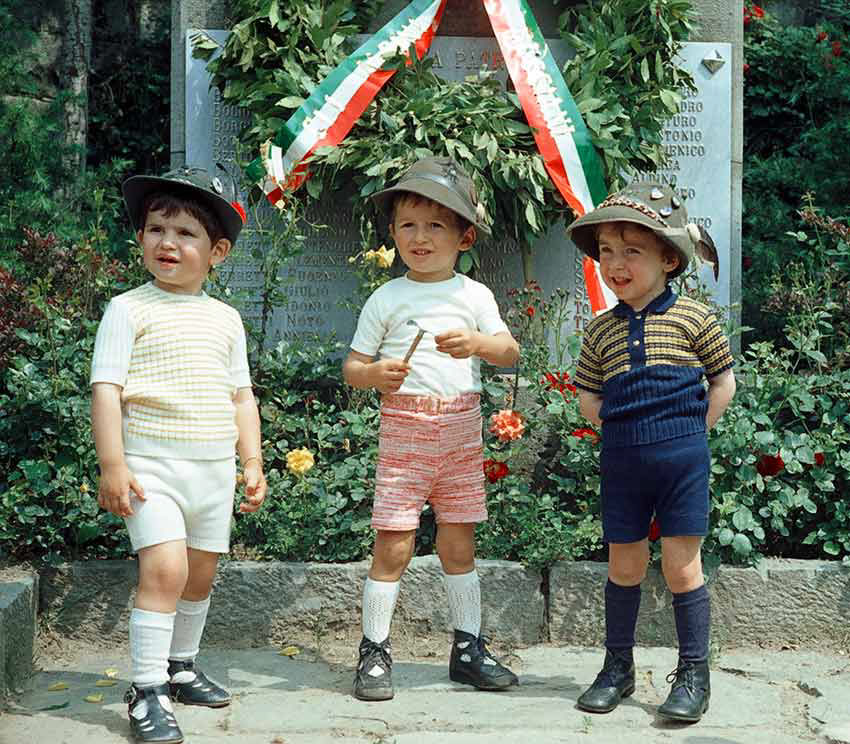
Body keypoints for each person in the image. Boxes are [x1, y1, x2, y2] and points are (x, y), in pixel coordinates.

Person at [90, 166, 267, 743]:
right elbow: (107, 390)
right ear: (141, 238)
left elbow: (241, 396)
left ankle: (180, 665)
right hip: (151, 468)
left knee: (199, 575)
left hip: (212, 470)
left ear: (217, 252)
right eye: (156, 229)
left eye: (185, 233)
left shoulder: (226, 319)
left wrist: (251, 461)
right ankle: (146, 689)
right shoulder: (128, 309)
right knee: (164, 570)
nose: (167, 242)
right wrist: (113, 465)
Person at [342, 156, 520, 701]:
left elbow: (509, 351)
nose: (419, 238)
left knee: (458, 543)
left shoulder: (473, 296)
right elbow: (353, 367)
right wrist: (375, 375)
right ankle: (374, 649)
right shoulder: (387, 298)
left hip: (460, 431)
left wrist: (478, 344)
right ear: (393, 233)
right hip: (406, 431)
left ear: (465, 238)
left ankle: (468, 647)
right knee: (393, 544)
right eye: (408, 225)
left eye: (435, 226)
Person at [567, 182, 736, 723]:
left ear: (668, 260)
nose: (615, 264)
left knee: (682, 567)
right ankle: (618, 666)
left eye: (631, 251)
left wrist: (693, 431)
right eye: (606, 252)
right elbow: (588, 395)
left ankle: (693, 674)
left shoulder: (693, 319)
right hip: (623, 462)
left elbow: (723, 381)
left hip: (682, 461)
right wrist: (621, 428)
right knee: (625, 564)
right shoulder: (601, 331)